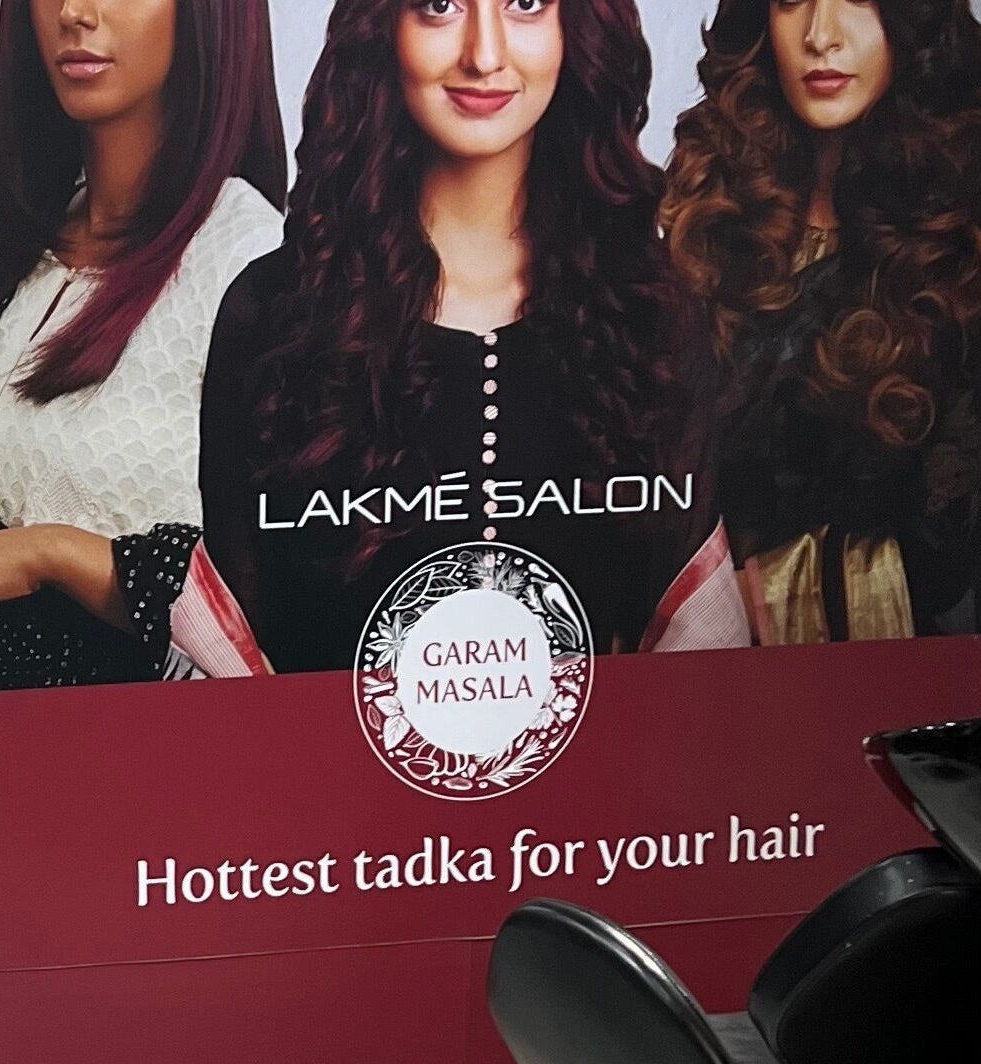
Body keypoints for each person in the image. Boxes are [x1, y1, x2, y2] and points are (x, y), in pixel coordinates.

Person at [200, 0, 751, 672]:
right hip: (317, 774)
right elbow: (231, 662)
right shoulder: (271, 317)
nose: (484, 54)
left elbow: (694, 670)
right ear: (384, 28)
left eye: (525, 4)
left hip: (610, 775)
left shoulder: (652, 316)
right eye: (440, 5)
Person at [0, 0, 288, 692]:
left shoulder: (256, 272)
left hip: (162, 763)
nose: (74, 12)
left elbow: (273, 616)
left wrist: (48, 554)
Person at [664, 0, 981, 644]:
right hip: (715, 679)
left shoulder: (962, 234)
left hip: (913, 683)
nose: (820, 36)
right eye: (790, 2)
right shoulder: (719, 216)